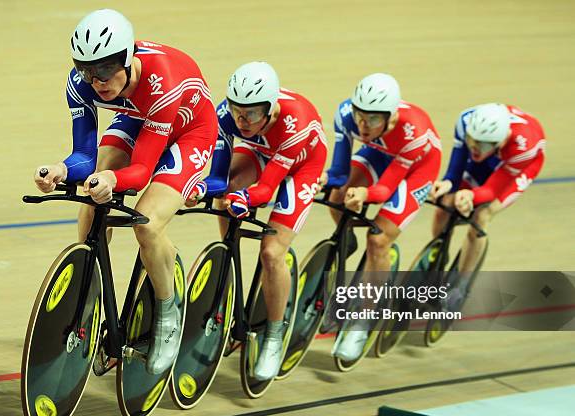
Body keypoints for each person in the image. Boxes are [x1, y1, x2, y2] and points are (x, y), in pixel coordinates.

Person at [33, 9, 218, 375]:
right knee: (90, 196)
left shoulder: (159, 79)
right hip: (138, 117)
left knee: (147, 224)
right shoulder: (81, 83)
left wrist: (113, 180)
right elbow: (85, 156)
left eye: (104, 70)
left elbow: (141, 172)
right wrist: (61, 170)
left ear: (127, 60)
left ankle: (168, 313)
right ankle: (89, 297)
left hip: (188, 131)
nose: (95, 80)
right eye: (86, 69)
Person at [191, 61, 327, 380]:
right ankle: (229, 266)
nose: (242, 120)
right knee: (228, 198)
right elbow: (220, 178)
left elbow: (266, 188)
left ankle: (274, 335)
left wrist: (246, 199)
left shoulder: (296, 122)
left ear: (271, 108)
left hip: (301, 166)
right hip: (261, 151)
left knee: (271, 253)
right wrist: (198, 187)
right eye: (238, 110)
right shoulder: (226, 115)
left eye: (251, 113)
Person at [323, 73, 442, 361]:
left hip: (415, 169)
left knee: (378, 239)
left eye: (373, 119)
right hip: (380, 152)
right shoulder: (346, 115)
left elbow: (386, 188)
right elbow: (339, 171)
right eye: (360, 116)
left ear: (390, 118)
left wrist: (364, 195)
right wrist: (327, 181)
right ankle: (346, 241)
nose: (363, 125)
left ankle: (364, 321)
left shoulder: (413, 131)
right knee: (337, 196)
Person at [429, 103, 545, 303]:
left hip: (519, 164)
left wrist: (471, 197)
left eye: (481, 144)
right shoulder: (465, 123)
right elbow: (454, 173)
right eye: (471, 141)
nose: (474, 148)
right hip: (493, 152)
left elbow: (491, 189)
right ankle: (438, 255)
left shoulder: (522, 147)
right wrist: (447, 184)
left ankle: (461, 286)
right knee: (445, 206)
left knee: (481, 215)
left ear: (502, 139)